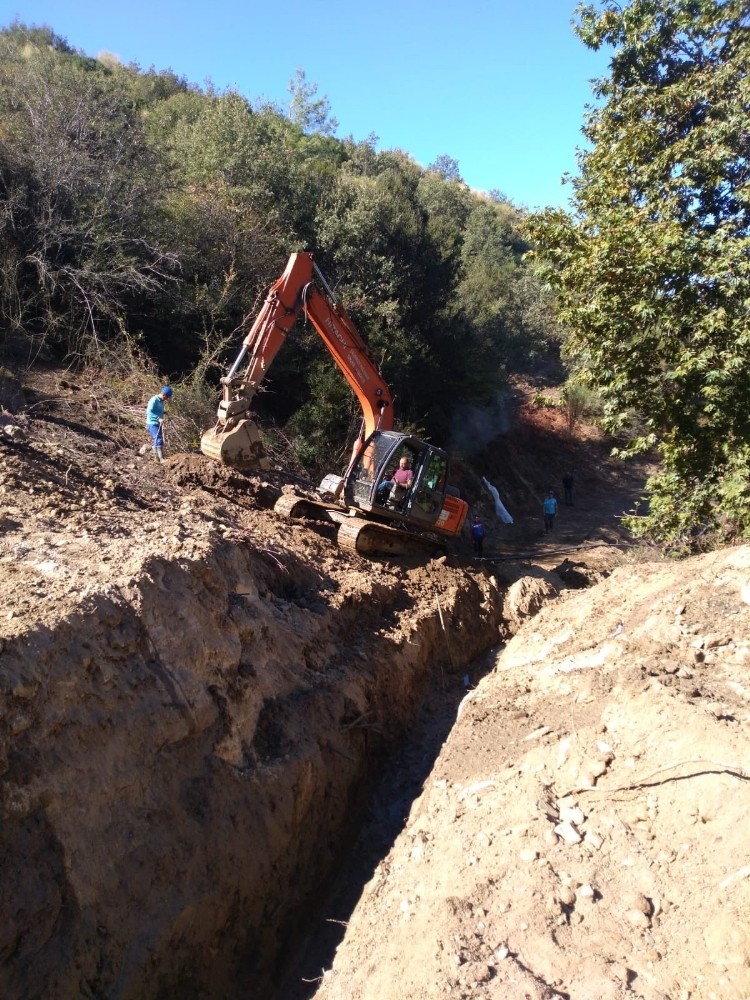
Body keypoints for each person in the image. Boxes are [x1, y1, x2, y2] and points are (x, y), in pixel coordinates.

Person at [145, 386, 173, 461]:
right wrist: (158, 418)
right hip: (152, 423)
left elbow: (156, 410)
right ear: (164, 394)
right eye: (167, 397)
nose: (167, 399)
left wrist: (164, 412)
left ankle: (156, 459)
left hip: (157, 422)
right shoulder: (154, 400)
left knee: (157, 438)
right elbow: (149, 412)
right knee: (158, 439)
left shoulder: (161, 401)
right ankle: (161, 459)